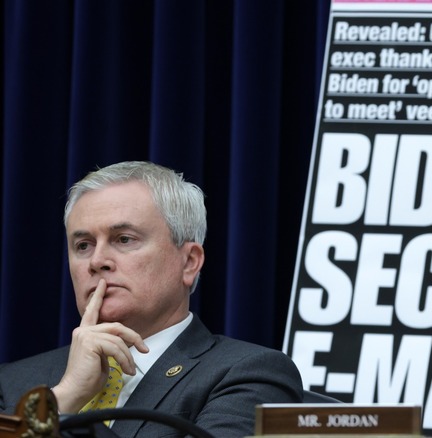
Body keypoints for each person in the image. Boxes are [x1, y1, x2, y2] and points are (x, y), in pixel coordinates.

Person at [0, 161, 304, 437]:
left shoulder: (249, 375)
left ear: (189, 263)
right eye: (83, 245)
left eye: (124, 239)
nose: (97, 261)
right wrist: (65, 398)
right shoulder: (13, 382)